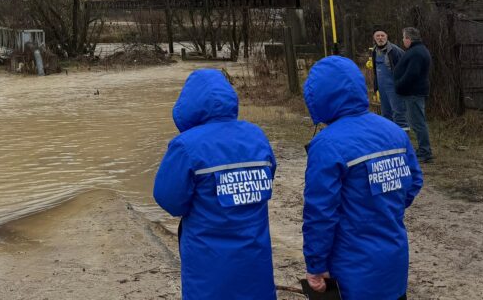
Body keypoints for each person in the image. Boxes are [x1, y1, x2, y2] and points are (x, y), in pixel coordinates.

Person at [303, 56, 423, 300]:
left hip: (351, 268)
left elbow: (320, 213)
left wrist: (315, 266)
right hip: (394, 258)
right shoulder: (393, 131)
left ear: (319, 97)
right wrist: (383, 205)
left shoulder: (326, 145)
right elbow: (414, 180)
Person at [153, 69, 276, 300]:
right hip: (255, 258)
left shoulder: (186, 146)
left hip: (209, 264)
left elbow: (168, 199)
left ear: (188, 103)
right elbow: (269, 176)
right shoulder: (256, 136)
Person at [393, 26, 434, 162]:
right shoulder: (417, 50)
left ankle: (425, 152)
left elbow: (412, 74)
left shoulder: (416, 52)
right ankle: (423, 150)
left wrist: (399, 85)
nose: (403, 40)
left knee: (418, 123)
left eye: (404, 38)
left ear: (409, 39)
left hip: (414, 93)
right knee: (416, 122)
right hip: (413, 92)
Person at [368, 26, 407, 128]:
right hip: (382, 89)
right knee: (386, 114)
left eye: (382, 35)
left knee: (398, 113)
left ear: (386, 37)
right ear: (374, 38)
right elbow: (375, 71)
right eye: (378, 36)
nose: (380, 38)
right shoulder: (374, 51)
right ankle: (389, 137)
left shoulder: (395, 50)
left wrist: (403, 84)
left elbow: (407, 66)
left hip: (394, 88)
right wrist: (376, 86)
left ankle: (403, 138)